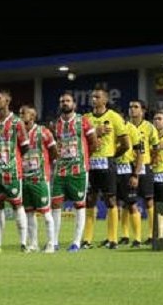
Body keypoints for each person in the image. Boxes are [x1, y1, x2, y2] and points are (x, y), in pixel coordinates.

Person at [81, 86, 129, 250]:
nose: (93, 99)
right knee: (90, 200)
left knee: (110, 200)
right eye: (92, 97)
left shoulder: (114, 117)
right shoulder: (85, 118)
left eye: (97, 97)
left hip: (107, 162)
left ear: (105, 100)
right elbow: (80, 140)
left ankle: (112, 239)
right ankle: (87, 239)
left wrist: (112, 156)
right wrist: (96, 132)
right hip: (91, 163)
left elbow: (126, 144)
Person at [50, 92, 97, 253]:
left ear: (74, 104)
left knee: (79, 204)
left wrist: (83, 157)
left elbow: (93, 143)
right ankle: (54, 241)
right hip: (60, 170)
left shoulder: (83, 121)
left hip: (79, 170)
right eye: (62, 101)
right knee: (55, 204)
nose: (65, 103)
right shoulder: (55, 124)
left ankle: (76, 242)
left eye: (68, 101)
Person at [0, 88, 30, 253]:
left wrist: (13, 161)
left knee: (17, 206)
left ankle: (23, 243)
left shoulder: (17, 122)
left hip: (12, 172)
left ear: (7, 101)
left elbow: (25, 147)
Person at [18, 104, 57, 253]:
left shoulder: (44, 132)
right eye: (20, 113)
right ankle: (33, 244)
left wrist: (45, 166)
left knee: (46, 213)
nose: (20, 116)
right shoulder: (18, 133)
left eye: (24, 113)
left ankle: (51, 244)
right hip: (25, 179)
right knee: (29, 213)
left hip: (40, 179)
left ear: (32, 117)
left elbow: (54, 151)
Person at [128, 99, 159, 245]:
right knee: (131, 202)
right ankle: (137, 238)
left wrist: (150, 162)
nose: (132, 109)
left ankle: (152, 235)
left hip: (145, 167)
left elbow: (155, 148)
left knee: (149, 200)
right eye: (130, 107)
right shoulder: (125, 126)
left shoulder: (149, 127)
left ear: (143, 110)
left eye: (135, 107)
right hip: (128, 167)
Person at [115, 111, 144, 248]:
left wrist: (136, 174)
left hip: (127, 170)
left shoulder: (132, 129)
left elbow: (140, 154)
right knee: (115, 204)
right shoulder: (111, 128)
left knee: (131, 204)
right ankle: (121, 237)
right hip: (112, 170)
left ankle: (137, 239)